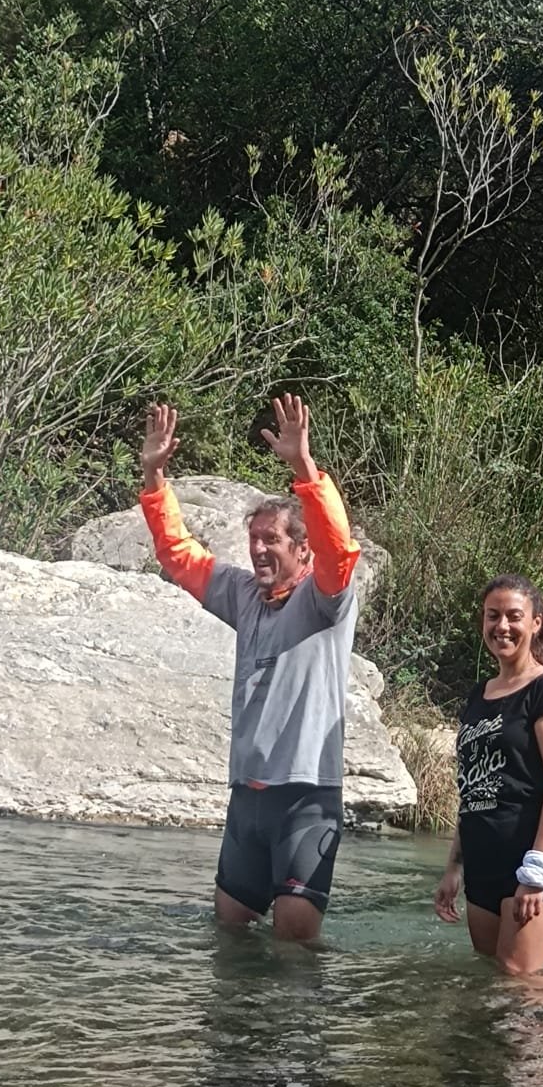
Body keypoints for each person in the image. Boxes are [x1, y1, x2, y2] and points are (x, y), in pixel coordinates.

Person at [139, 394, 360, 942]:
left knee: (294, 942)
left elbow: (338, 548)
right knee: (230, 935)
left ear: (302, 551)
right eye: (254, 539)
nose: (258, 549)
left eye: (271, 540)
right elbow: (178, 554)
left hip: (305, 795)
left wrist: (304, 468)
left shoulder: (324, 598)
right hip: (247, 797)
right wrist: (154, 477)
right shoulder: (243, 594)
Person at [433, 574, 543, 977]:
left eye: (514, 616)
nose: (502, 626)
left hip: (532, 859)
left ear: (535, 623)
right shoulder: (478, 696)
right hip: (483, 862)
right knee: (491, 982)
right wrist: (454, 867)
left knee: (519, 982)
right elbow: (473, 788)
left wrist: (537, 869)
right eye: (492, 615)